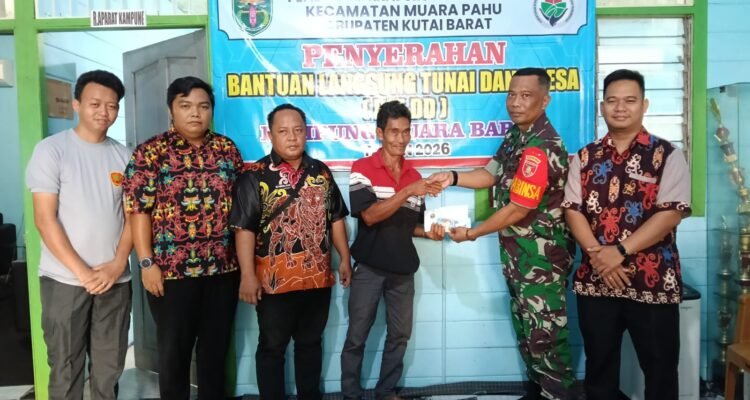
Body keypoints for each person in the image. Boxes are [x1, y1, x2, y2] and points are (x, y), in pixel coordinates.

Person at [428, 68, 575, 400]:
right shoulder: (516, 137)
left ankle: (559, 394)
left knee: (546, 335)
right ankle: (539, 391)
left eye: (526, 96)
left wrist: (473, 233)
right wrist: (451, 177)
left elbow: (518, 209)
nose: (515, 102)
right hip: (519, 257)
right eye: (512, 94)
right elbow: (489, 175)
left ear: (545, 100)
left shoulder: (540, 147)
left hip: (541, 261)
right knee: (527, 328)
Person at [562, 69, 690, 400]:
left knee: (660, 371)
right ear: (602, 106)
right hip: (596, 281)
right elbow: (572, 209)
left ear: (644, 105)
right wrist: (598, 256)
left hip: (652, 282)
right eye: (612, 100)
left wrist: (617, 251)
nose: (620, 108)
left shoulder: (667, 155)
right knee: (599, 370)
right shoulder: (585, 157)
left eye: (630, 100)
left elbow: (671, 213)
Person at [122, 76, 244, 400]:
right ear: (171, 110)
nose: (195, 113)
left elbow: (241, 208)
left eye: (203, 106)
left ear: (211, 110)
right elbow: (138, 210)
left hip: (223, 270)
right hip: (170, 274)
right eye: (185, 106)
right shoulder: (151, 152)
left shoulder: (227, 150)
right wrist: (146, 262)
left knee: (215, 352)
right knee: (174, 354)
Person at [229, 103, 351, 400]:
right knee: (272, 347)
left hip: (316, 279)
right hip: (273, 284)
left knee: (310, 344)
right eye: (283, 131)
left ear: (306, 133)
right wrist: (247, 275)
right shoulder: (255, 176)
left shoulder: (320, 173)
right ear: (270, 135)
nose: (292, 137)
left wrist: (345, 258)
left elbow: (336, 218)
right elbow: (244, 229)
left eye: (298, 130)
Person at [26, 70, 132, 400]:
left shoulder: (125, 156)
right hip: (64, 280)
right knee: (65, 366)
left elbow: (134, 218)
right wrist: (83, 273)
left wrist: (117, 265)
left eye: (111, 106)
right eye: (95, 104)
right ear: (76, 104)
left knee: (109, 368)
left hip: (115, 281)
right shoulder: (51, 150)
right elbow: (45, 220)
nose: (104, 112)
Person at [340, 100, 444, 400]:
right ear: (379, 133)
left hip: (403, 272)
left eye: (406, 131)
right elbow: (370, 216)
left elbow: (410, 226)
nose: (401, 138)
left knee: (400, 336)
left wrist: (430, 232)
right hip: (369, 269)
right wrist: (408, 191)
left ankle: (386, 391)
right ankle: (350, 395)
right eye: (394, 131)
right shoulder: (362, 169)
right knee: (357, 336)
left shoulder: (414, 176)